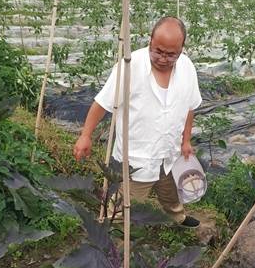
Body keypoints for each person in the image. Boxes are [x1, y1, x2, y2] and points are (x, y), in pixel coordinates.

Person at [73, 17, 202, 228]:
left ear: (181, 49)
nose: (163, 58)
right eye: (158, 51)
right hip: (136, 157)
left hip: (169, 150)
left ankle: (177, 216)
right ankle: (114, 232)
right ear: (150, 40)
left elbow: (190, 107)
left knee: (170, 190)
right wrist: (85, 135)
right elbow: (101, 102)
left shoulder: (187, 67)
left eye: (171, 55)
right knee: (125, 204)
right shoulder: (129, 66)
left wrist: (186, 140)